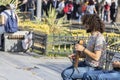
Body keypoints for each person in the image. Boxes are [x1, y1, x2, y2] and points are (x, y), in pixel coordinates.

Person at [61, 14, 106, 80]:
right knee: (65, 72)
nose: (84, 25)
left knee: (66, 73)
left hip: (94, 68)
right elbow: (89, 54)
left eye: (86, 23)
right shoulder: (92, 36)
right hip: (86, 64)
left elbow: (96, 57)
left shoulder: (99, 38)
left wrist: (83, 49)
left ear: (92, 24)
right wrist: (77, 56)